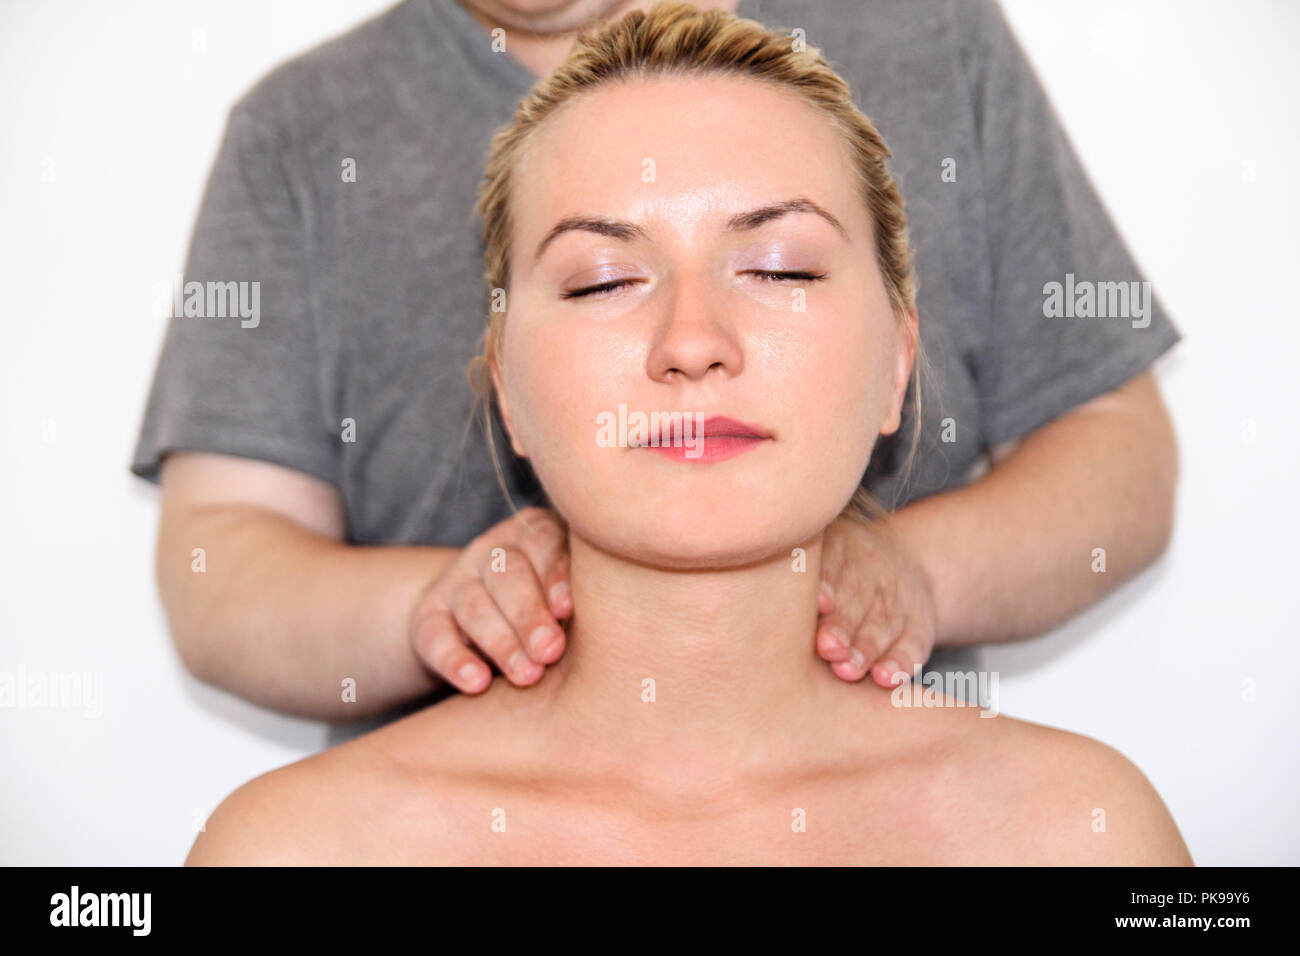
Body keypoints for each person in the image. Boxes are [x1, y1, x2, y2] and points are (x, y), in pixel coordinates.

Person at [185, 2, 1191, 865]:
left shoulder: (1074, 833)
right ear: (504, 387)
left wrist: (903, 570)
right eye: (599, 281)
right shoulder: (301, 848)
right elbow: (218, 556)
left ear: (898, 361)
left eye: (785, 269)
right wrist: (453, 605)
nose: (692, 341)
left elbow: (1112, 441)